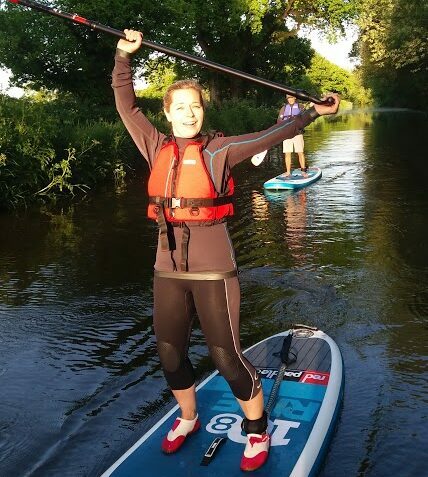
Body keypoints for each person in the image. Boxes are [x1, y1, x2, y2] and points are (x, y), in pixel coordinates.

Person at [112, 29, 339, 472]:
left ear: (203, 111)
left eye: (195, 106)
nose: (189, 114)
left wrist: (311, 112)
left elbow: (273, 134)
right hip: (167, 270)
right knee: (171, 353)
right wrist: (124, 55)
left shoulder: (221, 151)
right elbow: (125, 103)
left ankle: (257, 431)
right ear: (168, 113)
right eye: (180, 107)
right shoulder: (153, 145)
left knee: (227, 357)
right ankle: (188, 418)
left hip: (214, 271)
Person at [278, 94, 307, 177]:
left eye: (291, 97)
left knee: (300, 152)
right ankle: (288, 172)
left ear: (295, 98)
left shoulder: (300, 106)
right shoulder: (283, 108)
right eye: (288, 98)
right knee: (287, 153)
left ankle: (303, 171)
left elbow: (305, 119)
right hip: (287, 133)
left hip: (298, 133)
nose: (290, 99)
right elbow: (279, 121)